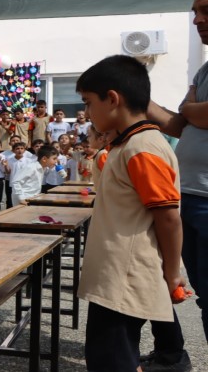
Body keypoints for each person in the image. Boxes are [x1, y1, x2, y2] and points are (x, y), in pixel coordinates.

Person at [76, 55, 186, 372]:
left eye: (88, 103)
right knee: (111, 356)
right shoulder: (127, 145)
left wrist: (172, 272)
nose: (86, 113)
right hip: (115, 274)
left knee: (112, 360)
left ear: (112, 99)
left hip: (124, 276)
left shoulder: (142, 148)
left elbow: (168, 217)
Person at [143, 0, 208, 370]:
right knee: (206, 297)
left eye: (206, 10)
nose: (198, 19)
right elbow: (183, 122)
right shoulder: (205, 70)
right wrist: (136, 97)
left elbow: (196, 114)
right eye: (195, 11)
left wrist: (193, 108)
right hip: (192, 198)